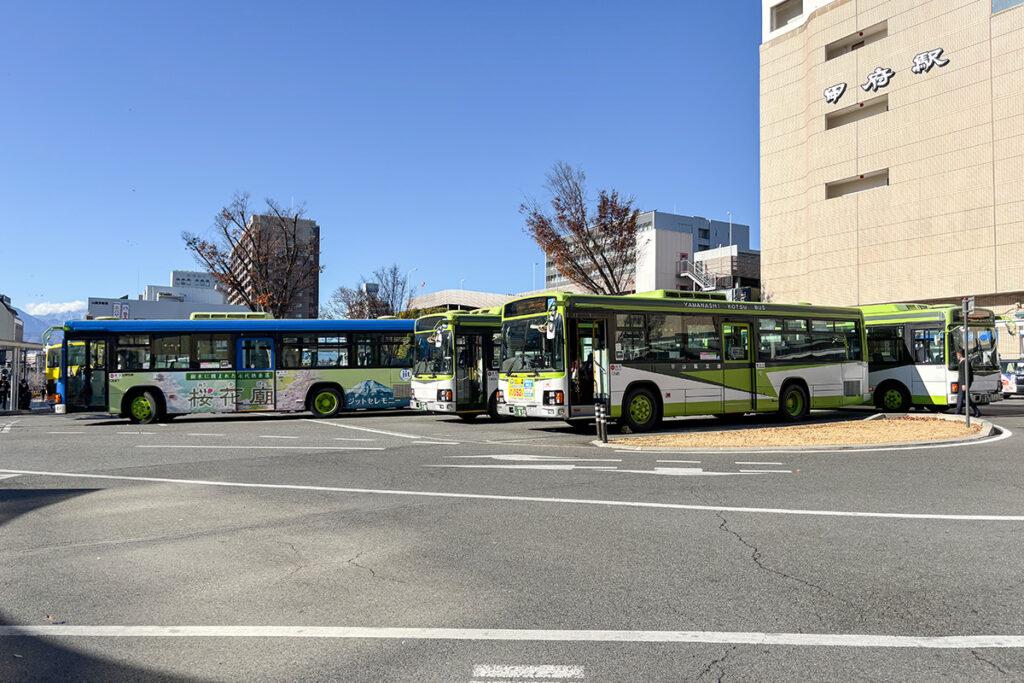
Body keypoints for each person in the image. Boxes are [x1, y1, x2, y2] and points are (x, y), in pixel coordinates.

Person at [954, 350, 981, 418]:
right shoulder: (962, 362)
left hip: (963, 383)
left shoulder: (965, 362)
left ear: (959, 355)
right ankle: (977, 411)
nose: (957, 356)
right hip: (963, 383)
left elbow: (965, 374)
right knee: (967, 398)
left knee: (960, 397)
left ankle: (958, 412)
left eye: (957, 354)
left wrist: (964, 384)